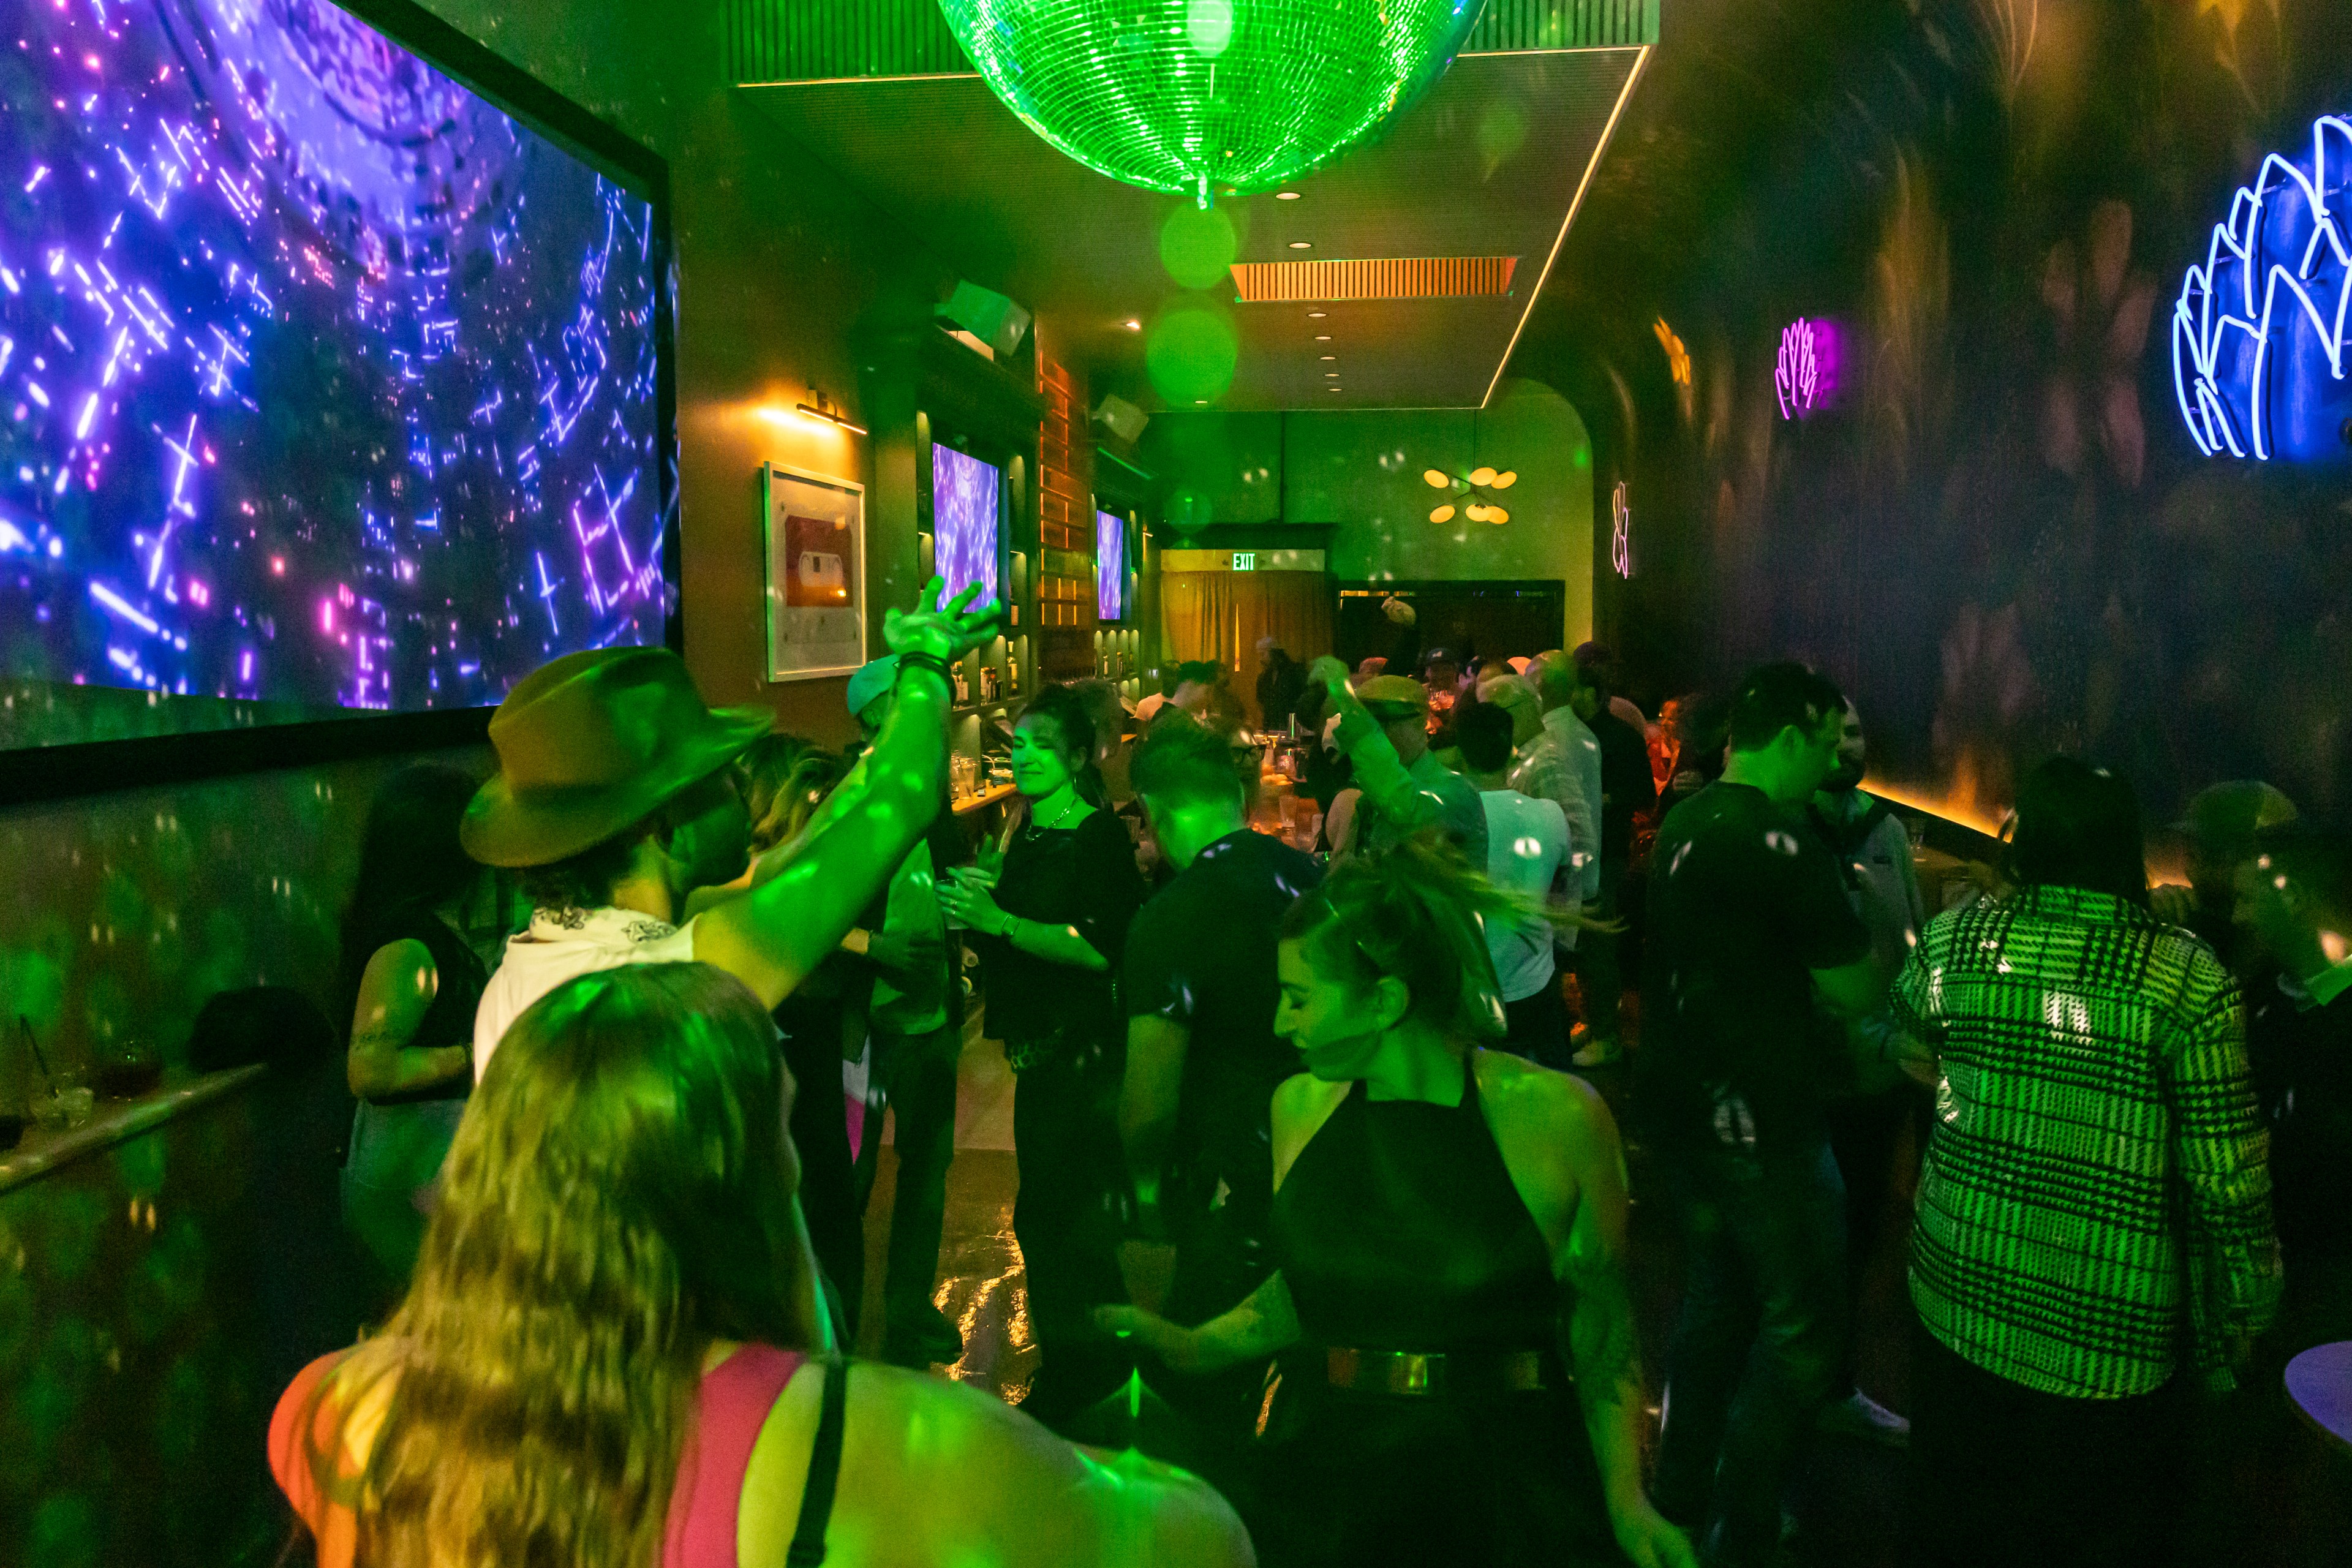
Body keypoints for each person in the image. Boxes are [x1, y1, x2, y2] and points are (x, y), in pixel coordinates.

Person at [269, 965, 1253, 1568]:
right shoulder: (890, 1441)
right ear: (742, 1179)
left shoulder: (326, 1409)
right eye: (782, 1128)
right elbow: (1203, 1544)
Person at [1099, 842, 1694, 1568]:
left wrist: (1627, 1499)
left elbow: (1599, 1322)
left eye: (1298, 997)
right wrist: (1194, 1344)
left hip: (1501, 1480)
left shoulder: (1558, 1117)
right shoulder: (1299, 1106)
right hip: (1329, 1477)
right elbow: (1316, 1284)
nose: (1281, 1022)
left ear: (1384, 1000)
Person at [1891, 758, 2282, 1568]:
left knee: (1958, 1513)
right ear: (2128, 846)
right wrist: (2243, 1317)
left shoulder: (1956, 939)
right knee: (2090, 1530)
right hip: (2110, 1335)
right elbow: (2227, 1186)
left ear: (2023, 837)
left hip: (1957, 1286)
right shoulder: (2185, 977)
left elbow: (1904, 1050)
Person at [1636, 661, 1882, 1568]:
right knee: (1804, 1337)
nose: (1836, 760)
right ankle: (1746, 1520)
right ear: (1791, 735)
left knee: (1714, 1306)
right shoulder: (1782, 842)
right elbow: (1855, 988)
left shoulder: (1689, 818)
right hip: (1765, 1129)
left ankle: (1678, 1492)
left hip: (1686, 1117)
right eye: (1827, 742)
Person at [937, 684, 1151, 1425]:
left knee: (1065, 1212)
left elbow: (1098, 946)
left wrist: (996, 915)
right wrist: (986, 895)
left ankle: (1092, 1368)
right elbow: (1029, 912)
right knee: (1047, 1210)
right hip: (1040, 1049)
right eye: (1016, 745)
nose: (1021, 757)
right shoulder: (1026, 829)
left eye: (1037, 746)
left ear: (1073, 756)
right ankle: (1077, 1355)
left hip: (1081, 1050)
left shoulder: (1095, 834)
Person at [1120, 716, 1325, 1458]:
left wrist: (1144, 1195)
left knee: (1198, 1410)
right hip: (1325, 1167)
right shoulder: (1311, 876)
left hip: (1232, 1188)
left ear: (1157, 811)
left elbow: (1150, 1100)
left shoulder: (1171, 916)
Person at [830, 655, 968, 1366]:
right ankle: (835, 1325)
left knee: (926, 1169)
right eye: (913, 704)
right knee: (842, 1176)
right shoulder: (840, 791)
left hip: (931, 1016)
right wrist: (873, 945)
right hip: (861, 1024)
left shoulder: (929, 787)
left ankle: (907, 1312)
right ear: (875, 716)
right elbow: (805, 904)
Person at [338, 763, 515, 1295]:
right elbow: (369, 1069)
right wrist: (476, 1052)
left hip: (414, 1164)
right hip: (406, 1170)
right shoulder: (410, 948)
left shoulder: (418, 929)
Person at [1804, 698, 1927, 1447]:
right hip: (1801, 1080)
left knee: (1853, 1237)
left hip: (1873, 1077)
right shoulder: (1779, 832)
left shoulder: (1883, 829)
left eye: (1858, 729)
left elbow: (1909, 938)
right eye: (1837, 733)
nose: (1852, 743)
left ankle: (1835, 1384)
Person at [1457, 703, 1575, 1066]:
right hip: (1537, 990)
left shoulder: (1447, 820)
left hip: (1470, 995)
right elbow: (1562, 892)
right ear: (1512, 751)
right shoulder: (1551, 815)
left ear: (1460, 753)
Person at [1565, 647, 1656, 1069]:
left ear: (1595, 695)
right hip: (1571, 851)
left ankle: (1608, 1034)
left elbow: (1643, 795)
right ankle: (1593, 1021)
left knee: (1598, 943)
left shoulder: (1620, 737)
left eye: (1577, 691)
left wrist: (1602, 799)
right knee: (1580, 942)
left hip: (1608, 854)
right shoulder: (1564, 736)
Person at [1302, 658, 1487, 865]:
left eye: (1380, 721)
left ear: (1420, 721)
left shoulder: (1454, 790)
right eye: (1368, 722)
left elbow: (1406, 814)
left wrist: (1344, 697)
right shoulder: (1370, 789)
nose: (1372, 732)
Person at [1509, 654, 1604, 973]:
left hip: (1559, 895)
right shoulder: (1582, 733)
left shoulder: (1549, 741)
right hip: (1578, 885)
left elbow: (1571, 828)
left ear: (1537, 684)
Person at [2149, 780, 2300, 969]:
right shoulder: (2189, 915)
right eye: (2192, 849)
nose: (2190, 867)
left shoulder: (2276, 941)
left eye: (2210, 852)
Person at [1256, 639, 1308, 734]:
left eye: (1263, 654)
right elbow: (1261, 702)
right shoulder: (1263, 678)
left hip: (1293, 730)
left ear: (1274, 653)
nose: (1261, 659)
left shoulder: (1295, 672)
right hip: (1271, 729)